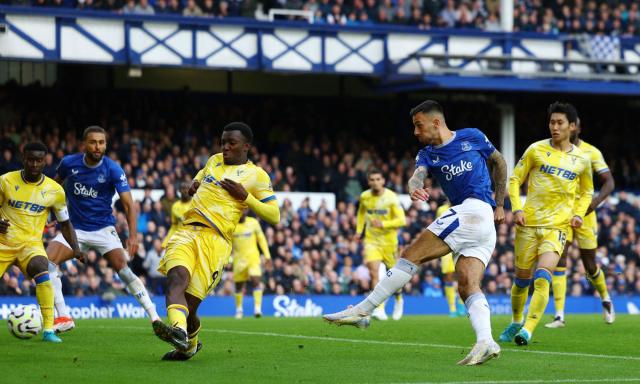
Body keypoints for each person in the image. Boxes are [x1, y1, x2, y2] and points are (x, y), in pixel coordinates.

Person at [324, 100, 508, 366]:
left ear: (436, 122)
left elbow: (499, 163)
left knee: (410, 255)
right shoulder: (427, 154)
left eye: (418, 125)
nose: (415, 132)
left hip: (476, 212)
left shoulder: (473, 136)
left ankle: (364, 310)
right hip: (474, 221)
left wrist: (500, 203)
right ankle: (486, 341)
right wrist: (414, 187)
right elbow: (417, 176)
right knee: (468, 285)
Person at [153, 122, 279, 361]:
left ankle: (189, 346)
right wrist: (194, 184)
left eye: (231, 143)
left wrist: (246, 198)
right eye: (223, 142)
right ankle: (178, 332)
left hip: (217, 242)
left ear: (246, 147)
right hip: (187, 231)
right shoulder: (213, 160)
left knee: (190, 307)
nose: (225, 147)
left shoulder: (257, 175)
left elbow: (275, 216)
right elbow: (200, 176)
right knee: (177, 278)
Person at [47, 126, 160, 333]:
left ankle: (155, 317)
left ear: (105, 144)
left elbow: (128, 205)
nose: (97, 146)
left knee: (124, 270)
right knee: (48, 263)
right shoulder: (68, 163)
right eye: (93, 142)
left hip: (103, 229)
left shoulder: (113, 169)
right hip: (75, 230)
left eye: (101, 142)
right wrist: (54, 216)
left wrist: (133, 236)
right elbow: (53, 189)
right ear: (84, 144)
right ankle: (63, 316)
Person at [499, 102, 593, 346]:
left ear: (571, 126)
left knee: (542, 277)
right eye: (552, 122)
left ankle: (528, 330)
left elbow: (587, 192)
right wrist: (517, 208)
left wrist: (579, 214)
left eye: (560, 122)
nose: (554, 127)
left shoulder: (582, 160)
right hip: (528, 224)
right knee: (521, 280)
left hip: (557, 227)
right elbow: (515, 178)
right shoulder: (535, 150)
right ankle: (517, 320)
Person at [0, 142, 86, 343]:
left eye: (39, 160)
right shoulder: (5, 181)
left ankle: (48, 329)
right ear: (24, 159)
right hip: (3, 243)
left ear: (45, 161)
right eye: (30, 159)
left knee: (42, 268)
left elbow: (65, 223)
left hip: (30, 245)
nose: (34, 164)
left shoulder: (55, 190)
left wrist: (76, 249)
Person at [545, 117, 615, 328]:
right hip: (562, 215)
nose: (567, 128)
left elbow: (609, 182)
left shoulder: (591, 152)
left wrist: (594, 203)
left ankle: (605, 298)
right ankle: (559, 315)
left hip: (585, 215)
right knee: (560, 258)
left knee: (590, 266)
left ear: (577, 128)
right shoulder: (553, 150)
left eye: (571, 124)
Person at [355, 168, 406, 320]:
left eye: (378, 179)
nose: (375, 182)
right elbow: (361, 213)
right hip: (371, 241)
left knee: (394, 277)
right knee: (374, 273)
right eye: (372, 179)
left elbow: (402, 220)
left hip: (389, 243)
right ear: (368, 182)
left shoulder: (391, 198)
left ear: (383, 181)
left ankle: (399, 299)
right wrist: (359, 230)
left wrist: (383, 224)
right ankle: (380, 308)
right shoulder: (364, 196)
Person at [232, 210, 272, 319]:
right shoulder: (232, 224)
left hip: (253, 258)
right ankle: (239, 310)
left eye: (244, 210)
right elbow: (228, 244)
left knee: (256, 280)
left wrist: (267, 256)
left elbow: (262, 239)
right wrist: (227, 259)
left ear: (246, 211)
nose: (242, 213)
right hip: (238, 260)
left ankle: (257, 309)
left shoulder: (253, 223)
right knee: (238, 286)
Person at [436, 201, 466, 317]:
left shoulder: (464, 207)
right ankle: (452, 308)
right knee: (448, 277)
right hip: (446, 245)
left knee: (462, 276)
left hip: (461, 245)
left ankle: (461, 304)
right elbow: (437, 226)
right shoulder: (441, 209)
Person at [161, 181, 193, 249]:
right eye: (183, 189)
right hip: (179, 240)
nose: (185, 191)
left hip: (191, 239)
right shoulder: (175, 206)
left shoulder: (194, 205)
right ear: (179, 191)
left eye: (187, 188)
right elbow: (174, 226)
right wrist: (167, 240)